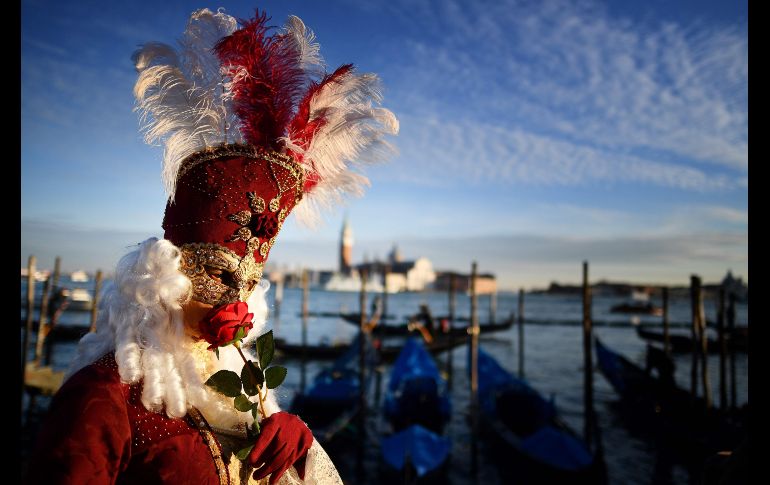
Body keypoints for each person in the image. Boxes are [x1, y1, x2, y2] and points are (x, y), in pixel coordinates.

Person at [25, 7, 397, 484]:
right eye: (219, 275)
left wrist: (301, 456)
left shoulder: (239, 396)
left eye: (247, 285)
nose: (235, 306)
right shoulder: (101, 400)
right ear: (164, 279)